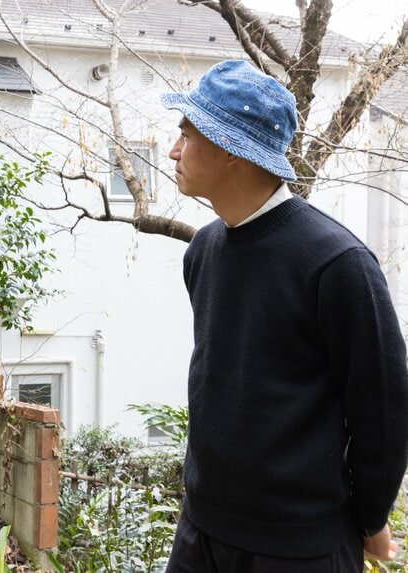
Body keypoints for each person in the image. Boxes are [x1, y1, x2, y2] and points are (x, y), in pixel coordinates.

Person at [160, 59, 408, 571]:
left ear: (232, 150)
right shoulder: (204, 249)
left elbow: (382, 411)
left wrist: (371, 518)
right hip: (200, 530)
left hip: (299, 547)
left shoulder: (336, 263)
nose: (172, 149)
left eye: (187, 133)